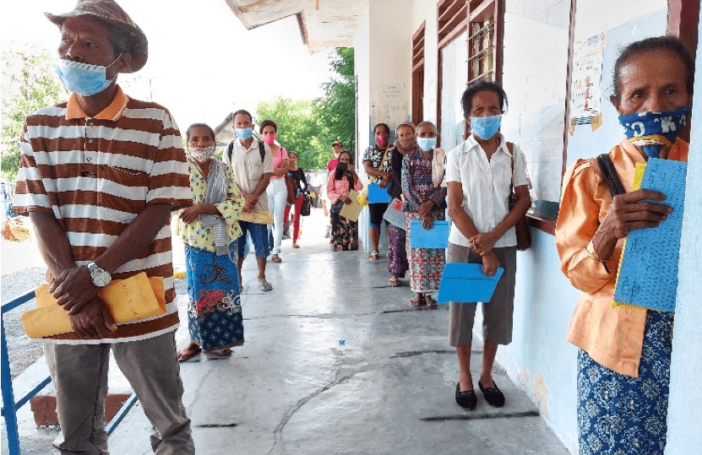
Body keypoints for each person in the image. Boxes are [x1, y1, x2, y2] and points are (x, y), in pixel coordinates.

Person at [12, 1, 196, 452]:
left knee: (168, 425)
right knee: (76, 435)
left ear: (124, 60)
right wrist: (76, 291)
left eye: (88, 43)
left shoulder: (156, 122)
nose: (72, 52)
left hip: (142, 300)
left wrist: (97, 276)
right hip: (69, 300)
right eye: (66, 40)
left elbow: (158, 210)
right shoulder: (39, 126)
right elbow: (39, 211)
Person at [555, 36, 693, 455]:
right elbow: (576, 272)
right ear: (618, 105)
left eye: (671, 91)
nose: (655, 106)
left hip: (687, 344)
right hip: (613, 350)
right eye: (638, 95)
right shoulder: (593, 175)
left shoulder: (697, 166)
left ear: (691, 94)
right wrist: (607, 232)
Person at [446, 80, 531, 410]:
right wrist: (484, 250)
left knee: (497, 315)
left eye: (493, 109)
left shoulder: (513, 154)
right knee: (463, 314)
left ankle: (486, 375)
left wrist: (494, 239)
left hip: (504, 243)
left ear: (502, 113)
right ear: (468, 117)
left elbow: (523, 200)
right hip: (463, 244)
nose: (486, 115)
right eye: (478, 110)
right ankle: (465, 376)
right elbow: (454, 207)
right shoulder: (457, 156)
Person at [175, 124, 245, 362]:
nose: (200, 144)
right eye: (195, 139)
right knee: (198, 293)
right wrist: (192, 210)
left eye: (206, 139)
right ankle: (196, 341)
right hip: (196, 240)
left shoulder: (223, 170)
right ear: (187, 143)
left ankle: (222, 341)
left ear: (214, 143)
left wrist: (204, 208)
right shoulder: (180, 170)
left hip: (225, 239)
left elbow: (237, 203)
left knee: (225, 291)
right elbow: (172, 202)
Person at [223, 109, 274, 292]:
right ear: (234, 127)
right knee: (237, 245)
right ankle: (237, 279)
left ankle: (261, 277)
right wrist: (245, 197)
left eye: (246, 123)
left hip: (259, 206)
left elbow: (267, 175)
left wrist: (253, 199)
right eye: (239, 124)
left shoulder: (262, 148)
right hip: (237, 207)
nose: (243, 126)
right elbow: (228, 178)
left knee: (261, 244)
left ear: (252, 126)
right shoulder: (229, 150)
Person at [401, 121, 447, 307]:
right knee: (416, 254)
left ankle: (430, 294)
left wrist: (431, 204)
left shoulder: (442, 157)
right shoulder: (409, 158)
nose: (427, 137)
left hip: (436, 210)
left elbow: (446, 183)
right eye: (423, 134)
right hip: (415, 212)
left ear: (436, 136)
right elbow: (407, 186)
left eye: (430, 134)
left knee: (434, 253)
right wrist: (423, 208)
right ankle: (418, 293)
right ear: (416, 136)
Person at [386, 122, 414, 287]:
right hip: (399, 198)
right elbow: (397, 175)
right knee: (397, 236)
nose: (405, 138)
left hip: (418, 200)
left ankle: (416, 273)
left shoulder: (421, 151)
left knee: (415, 237)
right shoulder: (395, 152)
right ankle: (396, 273)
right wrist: (405, 195)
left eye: (408, 134)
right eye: (401, 135)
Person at [259, 119, 291, 263]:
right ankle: (264, 250)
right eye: (266, 132)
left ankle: (276, 251)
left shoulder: (282, 150)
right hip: (265, 186)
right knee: (266, 220)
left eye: (271, 132)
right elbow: (258, 172)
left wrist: (268, 170)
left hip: (279, 186)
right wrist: (274, 170)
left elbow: (285, 170)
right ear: (261, 135)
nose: (269, 135)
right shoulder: (258, 151)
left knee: (278, 221)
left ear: (276, 134)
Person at [363, 123, 393, 261]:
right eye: (378, 133)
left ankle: (391, 250)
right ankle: (374, 250)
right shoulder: (369, 150)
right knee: (374, 221)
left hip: (392, 189)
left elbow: (399, 168)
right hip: (375, 189)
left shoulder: (395, 149)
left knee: (390, 221)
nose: (381, 135)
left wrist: (388, 178)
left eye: (384, 132)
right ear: (374, 135)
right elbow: (368, 169)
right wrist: (383, 175)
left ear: (389, 134)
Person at [327, 151, 364, 251]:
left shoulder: (351, 173)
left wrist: (353, 173)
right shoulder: (333, 174)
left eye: (347, 160)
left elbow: (359, 187)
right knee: (339, 241)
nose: (344, 161)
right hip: (338, 209)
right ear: (339, 161)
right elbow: (329, 191)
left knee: (351, 239)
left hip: (351, 209)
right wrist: (340, 197)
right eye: (342, 159)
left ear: (350, 161)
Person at [283, 151, 308, 248]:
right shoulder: (284, 170)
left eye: (294, 157)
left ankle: (294, 241)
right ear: (287, 158)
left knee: (297, 218)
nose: (292, 159)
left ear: (297, 159)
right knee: (284, 218)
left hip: (298, 195)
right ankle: (276, 241)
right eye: (290, 157)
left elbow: (305, 184)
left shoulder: (299, 170)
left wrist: (302, 192)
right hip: (287, 196)